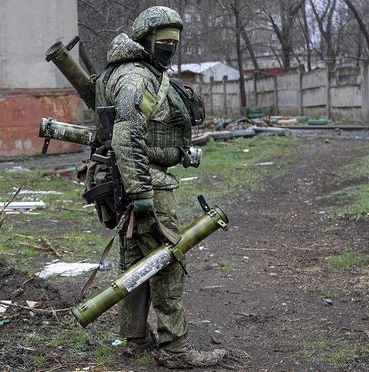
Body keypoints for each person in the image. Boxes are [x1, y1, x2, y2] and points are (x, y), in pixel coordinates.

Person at [93, 6, 227, 368]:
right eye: (164, 41)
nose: (169, 47)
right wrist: (141, 194)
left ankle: (135, 341)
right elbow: (126, 134)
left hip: (128, 181)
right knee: (166, 262)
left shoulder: (130, 71)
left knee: (136, 263)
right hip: (145, 185)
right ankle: (175, 350)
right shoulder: (137, 77)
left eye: (174, 42)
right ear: (145, 39)